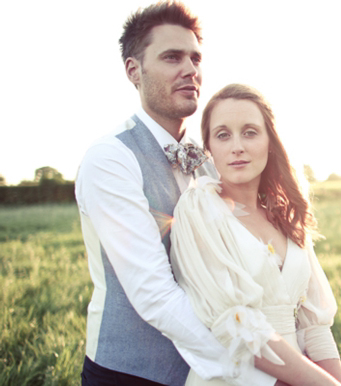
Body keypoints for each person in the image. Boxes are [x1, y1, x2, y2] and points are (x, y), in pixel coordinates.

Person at [75, 3, 278, 385]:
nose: (191, 69)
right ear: (134, 70)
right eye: (172, 57)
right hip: (131, 374)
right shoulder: (110, 160)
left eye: (195, 58)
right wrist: (257, 369)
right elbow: (153, 294)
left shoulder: (211, 157)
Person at [170, 83, 341, 386]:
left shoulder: (286, 215)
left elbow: (315, 325)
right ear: (209, 148)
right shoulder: (197, 208)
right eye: (223, 135)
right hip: (236, 376)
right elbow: (234, 324)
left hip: (300, 377)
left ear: (270, 142)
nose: (237, 146)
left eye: (250, 132)